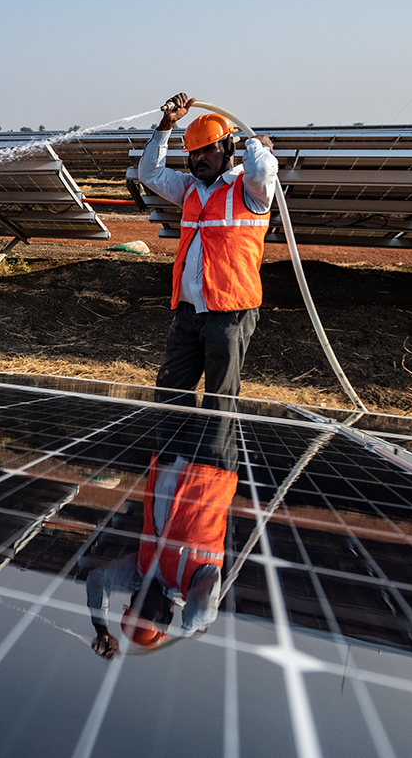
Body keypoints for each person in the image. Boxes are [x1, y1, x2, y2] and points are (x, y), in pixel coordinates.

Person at [137, 93, 278, 409]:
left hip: (229, 313)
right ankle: (174, 458)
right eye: (193, 152)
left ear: (228, 148)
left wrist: (256, 144)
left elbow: (261, 171)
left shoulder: (249, 189)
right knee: (170, 392)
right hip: (188, 311)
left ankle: (212, 458)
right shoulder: (189, 189)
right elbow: (150, 174)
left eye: (207, 149)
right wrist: (166, 125)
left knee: (219, 400)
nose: (199, 157)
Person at [81, 414, 239, 659]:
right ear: (167, 615)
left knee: (173, 390)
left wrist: (101, 627)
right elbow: (202, 610)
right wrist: (190, 629)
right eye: (147, 613)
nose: (141, 603)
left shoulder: (139, 573)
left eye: (135, 607)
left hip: (168, 462)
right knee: (219, 396)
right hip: (210, 471)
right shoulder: (189, 586)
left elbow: (98, 579)